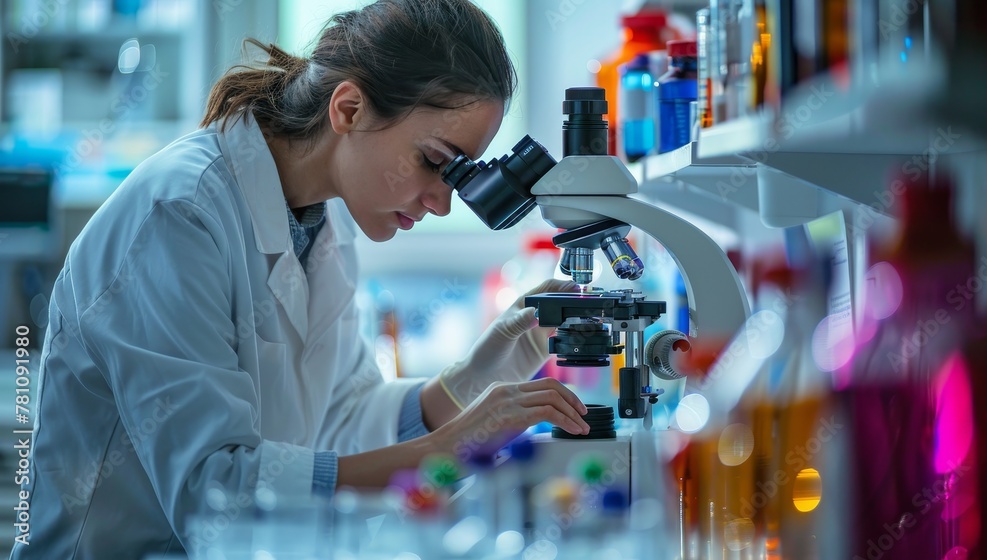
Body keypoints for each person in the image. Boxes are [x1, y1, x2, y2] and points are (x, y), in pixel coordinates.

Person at [12, 1, 591, 558]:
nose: (442, 203)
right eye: (436, 162)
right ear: (349, 109)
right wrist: (450, 448)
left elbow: (341, 424)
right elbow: (216, 490)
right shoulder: (180, 215)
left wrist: (475, 376)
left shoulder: (327, 219)